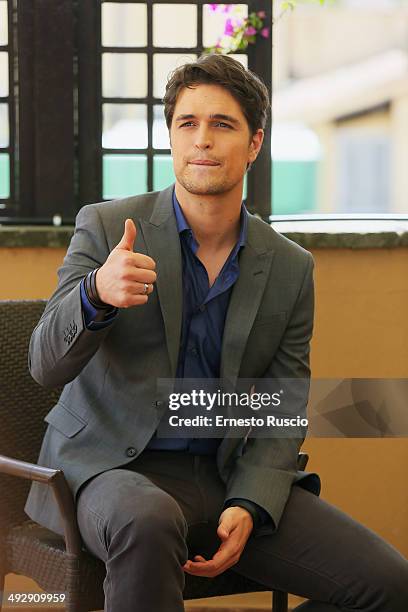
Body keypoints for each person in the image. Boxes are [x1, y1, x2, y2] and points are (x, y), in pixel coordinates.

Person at [25, 54, 408, 612]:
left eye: (222, 125)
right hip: (112, 469)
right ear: (172, 138)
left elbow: (283, 405)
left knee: (389, 585)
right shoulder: (107, 227)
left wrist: (251, 501)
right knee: (148, 519)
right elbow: (43, 365)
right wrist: (95, 294)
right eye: (188, 124)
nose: (202, 140)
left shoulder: (290, 267)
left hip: (227, 474)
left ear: (254, 144)